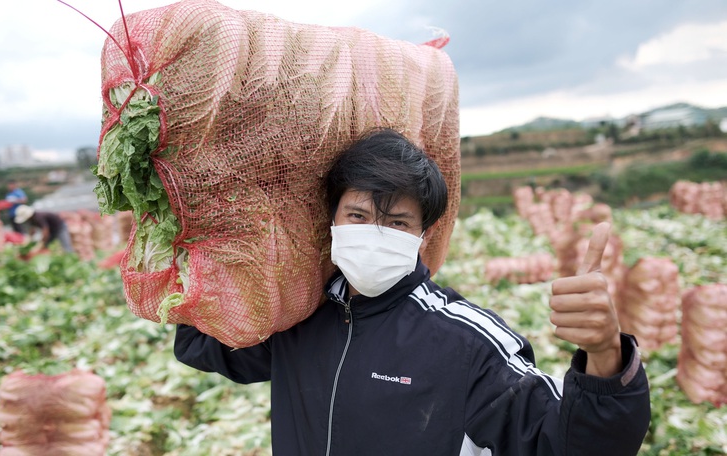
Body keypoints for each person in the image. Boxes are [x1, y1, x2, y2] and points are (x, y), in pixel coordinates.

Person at [174, 128, 650, 455]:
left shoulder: (465, 343)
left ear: (421, 236)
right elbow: (204, 344)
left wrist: (605, 356)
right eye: (358, 216)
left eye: (397, 222)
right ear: (332, 221)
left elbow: (569, 445)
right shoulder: (298, 320)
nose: (375, 233)